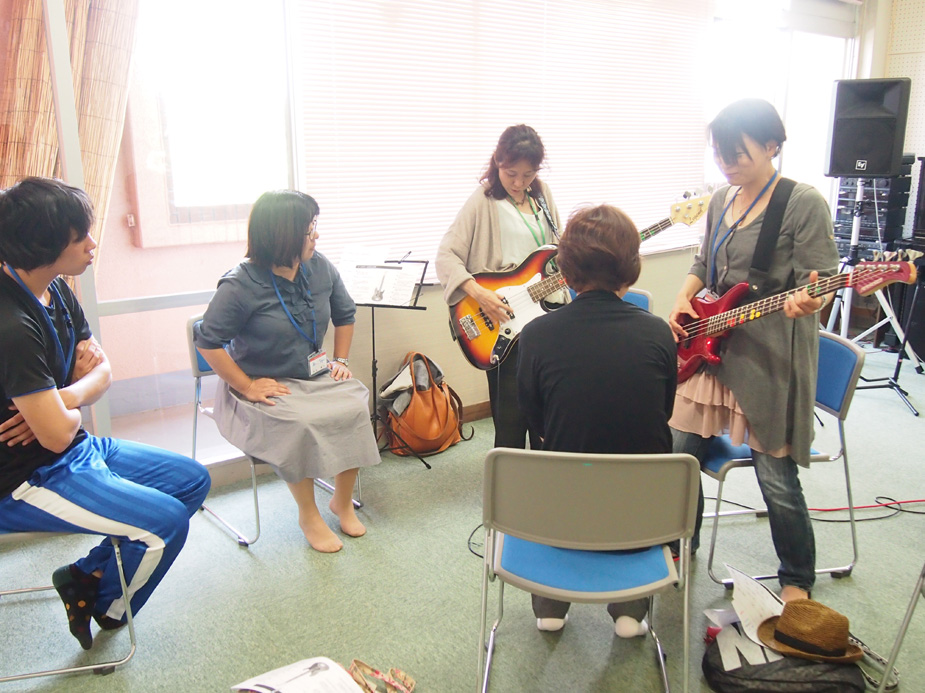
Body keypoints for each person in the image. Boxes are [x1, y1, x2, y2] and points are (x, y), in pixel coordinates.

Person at [0, 177, 212, 651]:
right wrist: (68, 405)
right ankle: (108, 608)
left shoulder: (56, 290)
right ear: (43, 245)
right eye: (80, 237)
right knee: (165, 524)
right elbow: (56, 435)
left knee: (192, 480)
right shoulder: (11, 325)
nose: (92, 245)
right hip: (23, 477)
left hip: (70, 449)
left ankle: (86, 573)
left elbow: (103, 372)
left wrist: (61, 398)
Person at [667, 98, 839, 602]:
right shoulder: (722, 199)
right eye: (720, 153)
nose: (727, 163)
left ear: (771, 146)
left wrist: (812, 300)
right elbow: (703, 263)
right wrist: (683, 297)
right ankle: (678, 545)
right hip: (710, 347)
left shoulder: (803, 202)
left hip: (769, 356)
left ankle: (797, 579)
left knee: (775, 478)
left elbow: (824, 280)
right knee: (677, 456)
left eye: (737, 153)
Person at [517, 204, 677, 637]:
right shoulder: (659, 333)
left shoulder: (535, 335)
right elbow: (661, 413)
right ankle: (630, 609)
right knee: (635, 468)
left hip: (562, 506)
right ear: (631, 269)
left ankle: (550, 604)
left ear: (566, 272)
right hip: (642, 511)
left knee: (553, 465)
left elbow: (535, 419)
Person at [194, 189, 379, 554]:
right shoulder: (241, 284)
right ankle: (308, 515)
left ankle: (341, 502)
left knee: (355, 406)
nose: (316, 236)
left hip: (315, 375)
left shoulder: (319, 267)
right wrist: (246, 385)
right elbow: (207, 341)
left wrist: (340, 362)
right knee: (299, 422)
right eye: (309, 230)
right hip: (263, 384)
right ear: (283, 235)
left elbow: (345, 314)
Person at [436, 124, 562, 449]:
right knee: (511, 419)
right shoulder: (483, 201)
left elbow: (557, 252)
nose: (519, 183)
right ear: (497, 162)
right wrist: (480, 294)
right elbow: (446, 256)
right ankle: (509, 478)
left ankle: (548, 474)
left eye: (528, 175)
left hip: (545, 317)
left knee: (548, 416)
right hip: (504, 320)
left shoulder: (542, 195)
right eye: (511, 174)